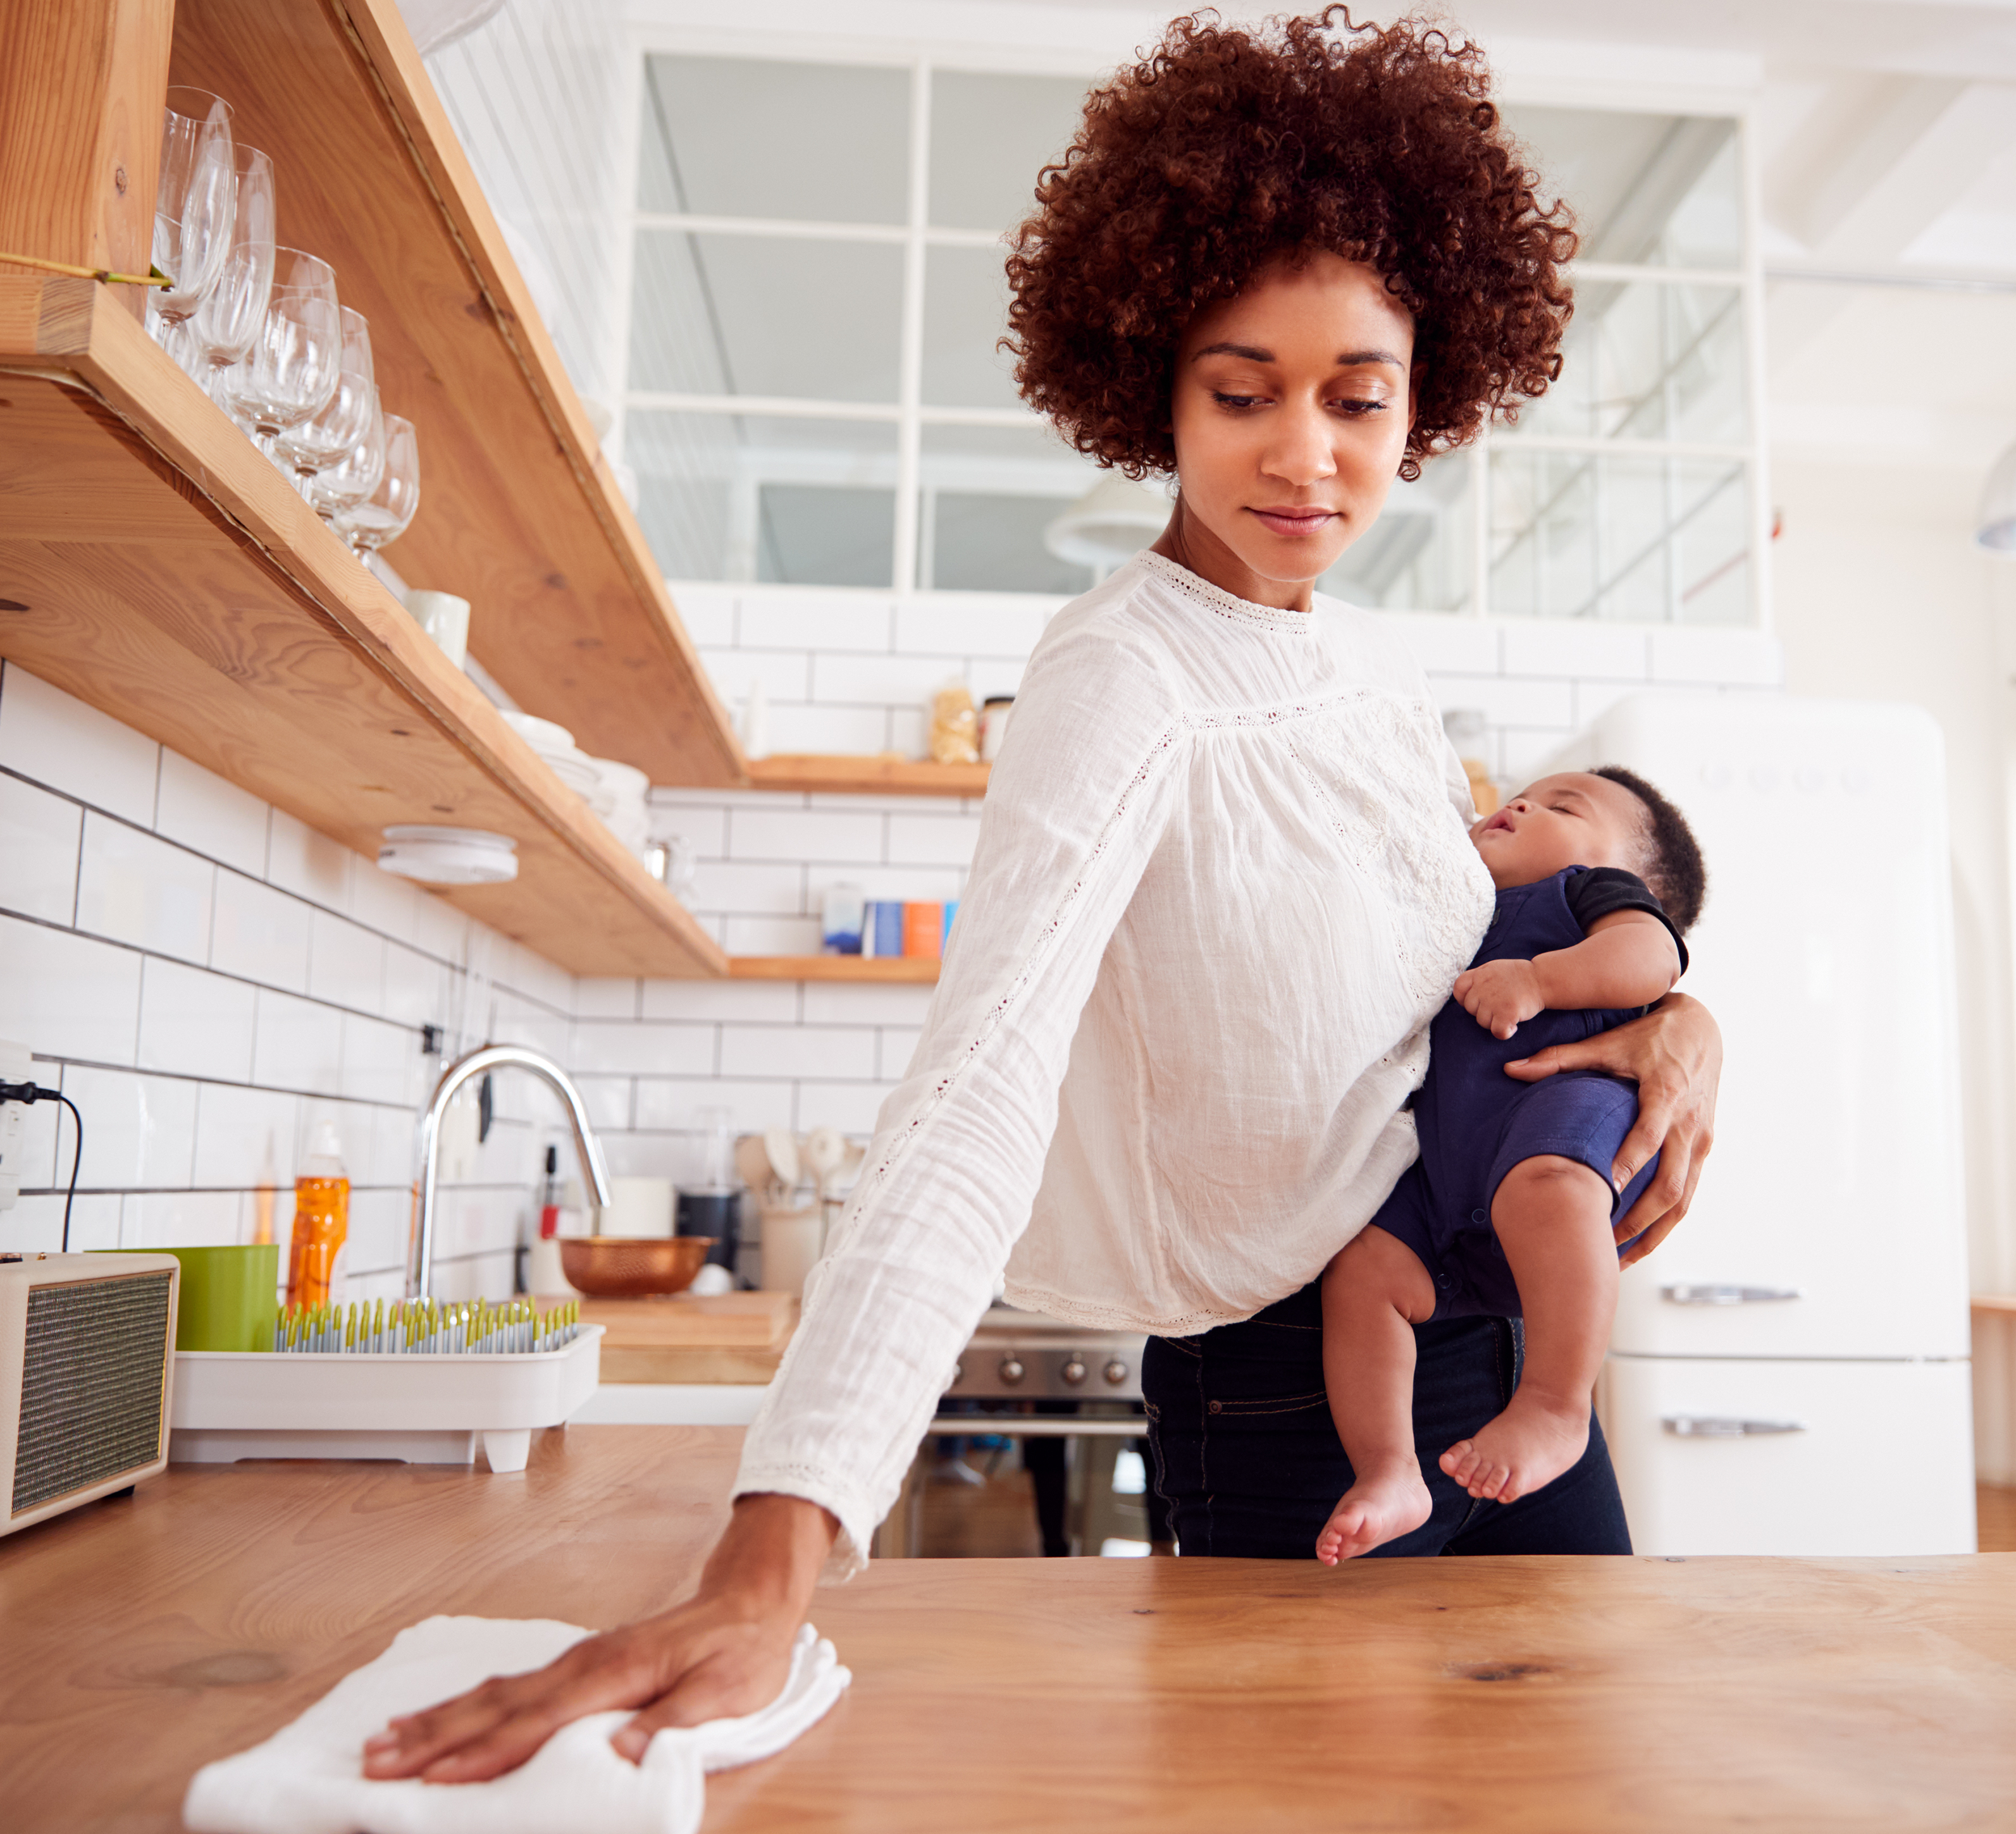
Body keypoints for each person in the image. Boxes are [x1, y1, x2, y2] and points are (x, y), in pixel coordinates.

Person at [362, 11, 1725, 1785]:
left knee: (1578, 1798)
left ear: (1428, 393)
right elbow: (979, 1079)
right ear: (1149, 385)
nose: (1304, 454)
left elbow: (1477, 968)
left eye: (1356, 395)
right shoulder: (1118, 677)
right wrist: (769, 1548)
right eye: (1240, 391)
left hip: (1491, 1348)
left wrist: (1677, 1015)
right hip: (1289, 1407)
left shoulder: (1387, 690)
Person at [1316, 766, 1706, 1565]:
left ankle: (1555, 1404)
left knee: (1551, 1188)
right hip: (1454, 1171)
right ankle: (1391, 1472)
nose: (1522, 803)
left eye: (1563, 805)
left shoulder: (1585, 895)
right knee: (1363, 1269)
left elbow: (1651, 957)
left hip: (1563, 1113)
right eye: (1519, 795)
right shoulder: (1456, 908)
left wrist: (1539, 978)